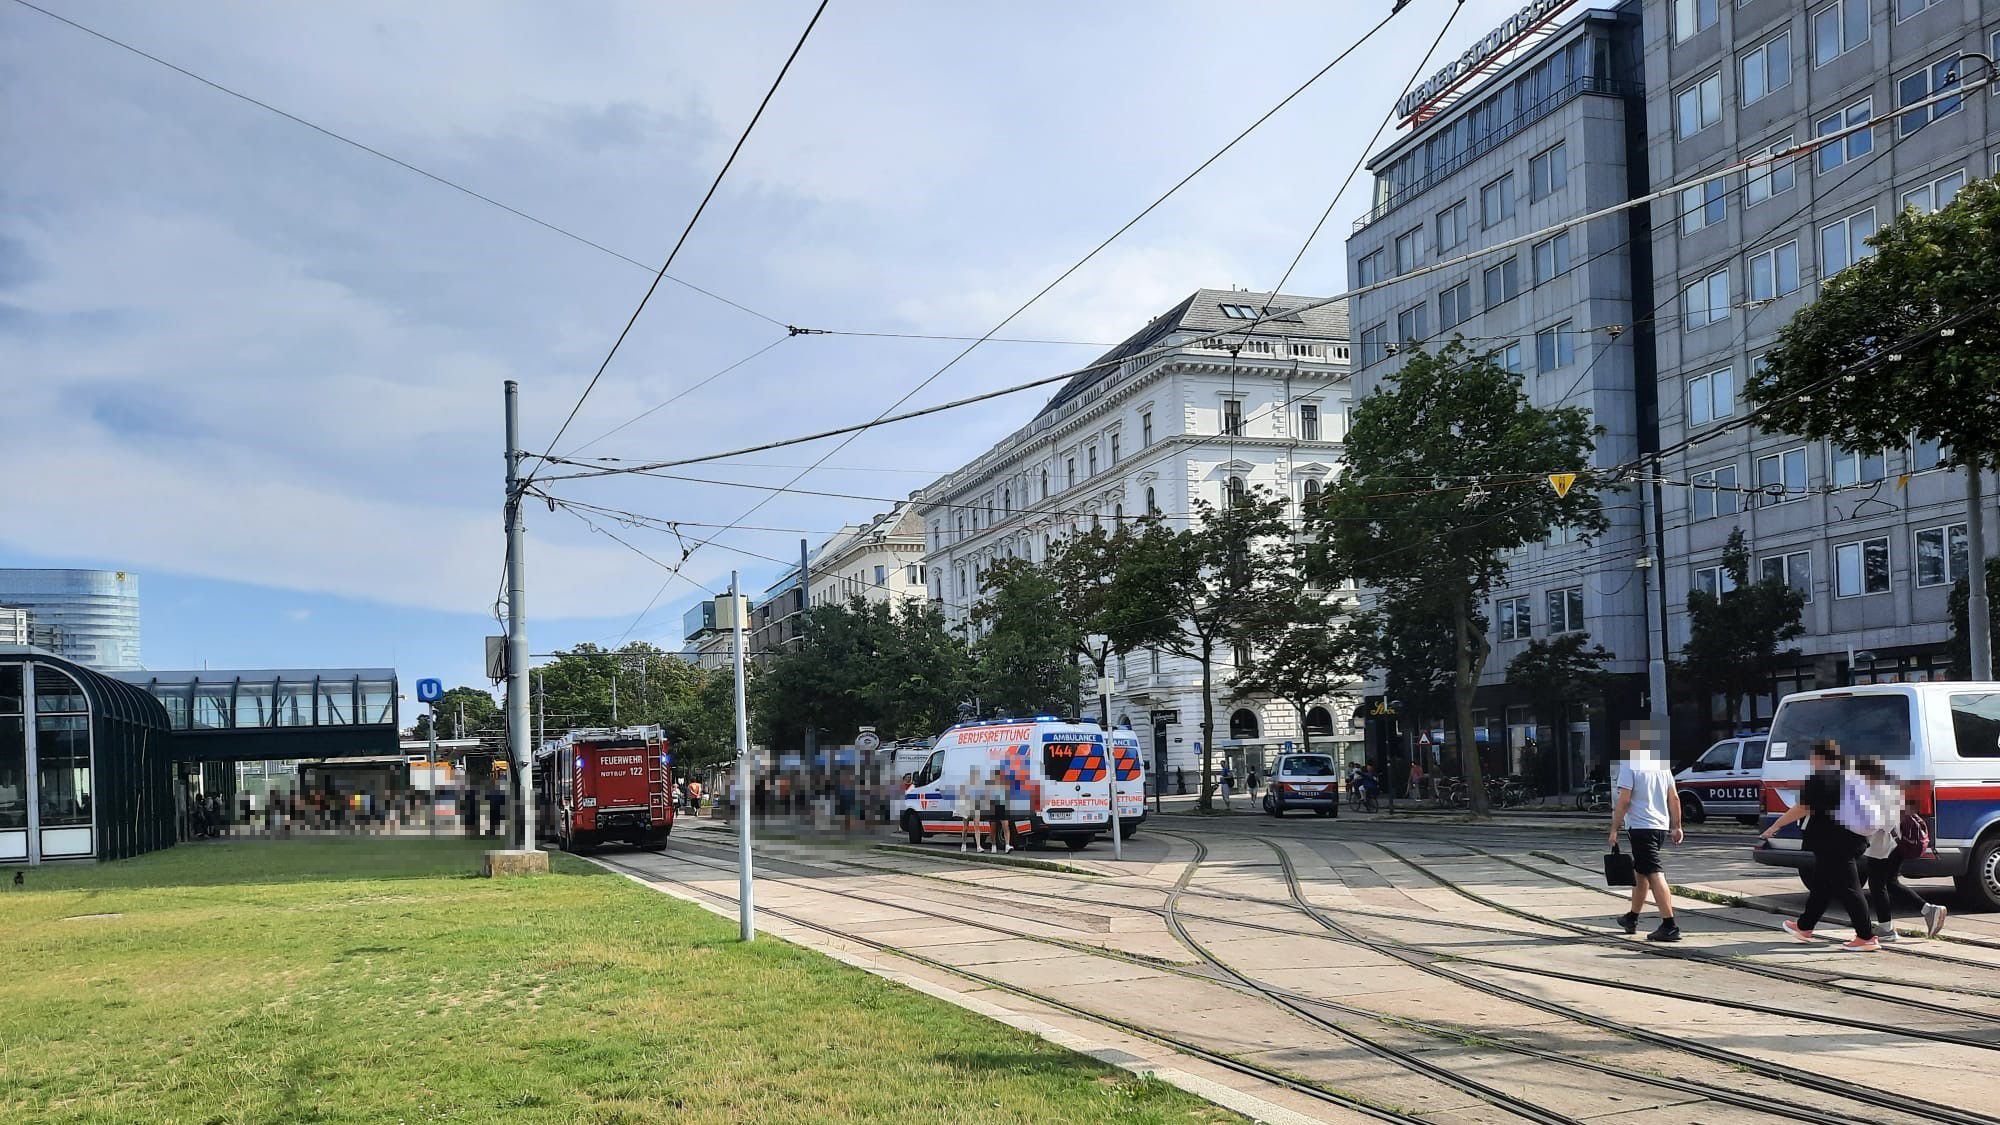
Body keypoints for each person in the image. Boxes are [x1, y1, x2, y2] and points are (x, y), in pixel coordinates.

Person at [1760, 740, 1877, 951]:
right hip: (1851, 838)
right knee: (1821, 885)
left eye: (1812, 757)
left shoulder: (1822, 778)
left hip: (1835, 841)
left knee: (1850, 888)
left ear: (1819, 757)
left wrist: (1775, 826)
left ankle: (1866, 936)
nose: (1810, 762)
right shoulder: (1848, 776)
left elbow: (1804, 807)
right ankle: (1805, 926)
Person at [1853, 757, 1947, 941]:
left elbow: (1881, 823)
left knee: (1878, 885)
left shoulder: (1878, 793)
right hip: (1891, 845)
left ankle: (1888, 928)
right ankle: (1927, 910)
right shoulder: (1887, 789)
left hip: (1884, 847)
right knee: (1889, 883)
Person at [1607, 720, 1684, 942]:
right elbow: (1674, 798)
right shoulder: (1662, 766)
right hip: (1659, 827)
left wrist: (1614, 828)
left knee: (1654, 872)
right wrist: (1676, 825)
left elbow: (1624, 800)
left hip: (1641, 827)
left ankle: (1669, 925)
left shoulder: (1630, 764)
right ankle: (1632, 917)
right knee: (1641, 873)